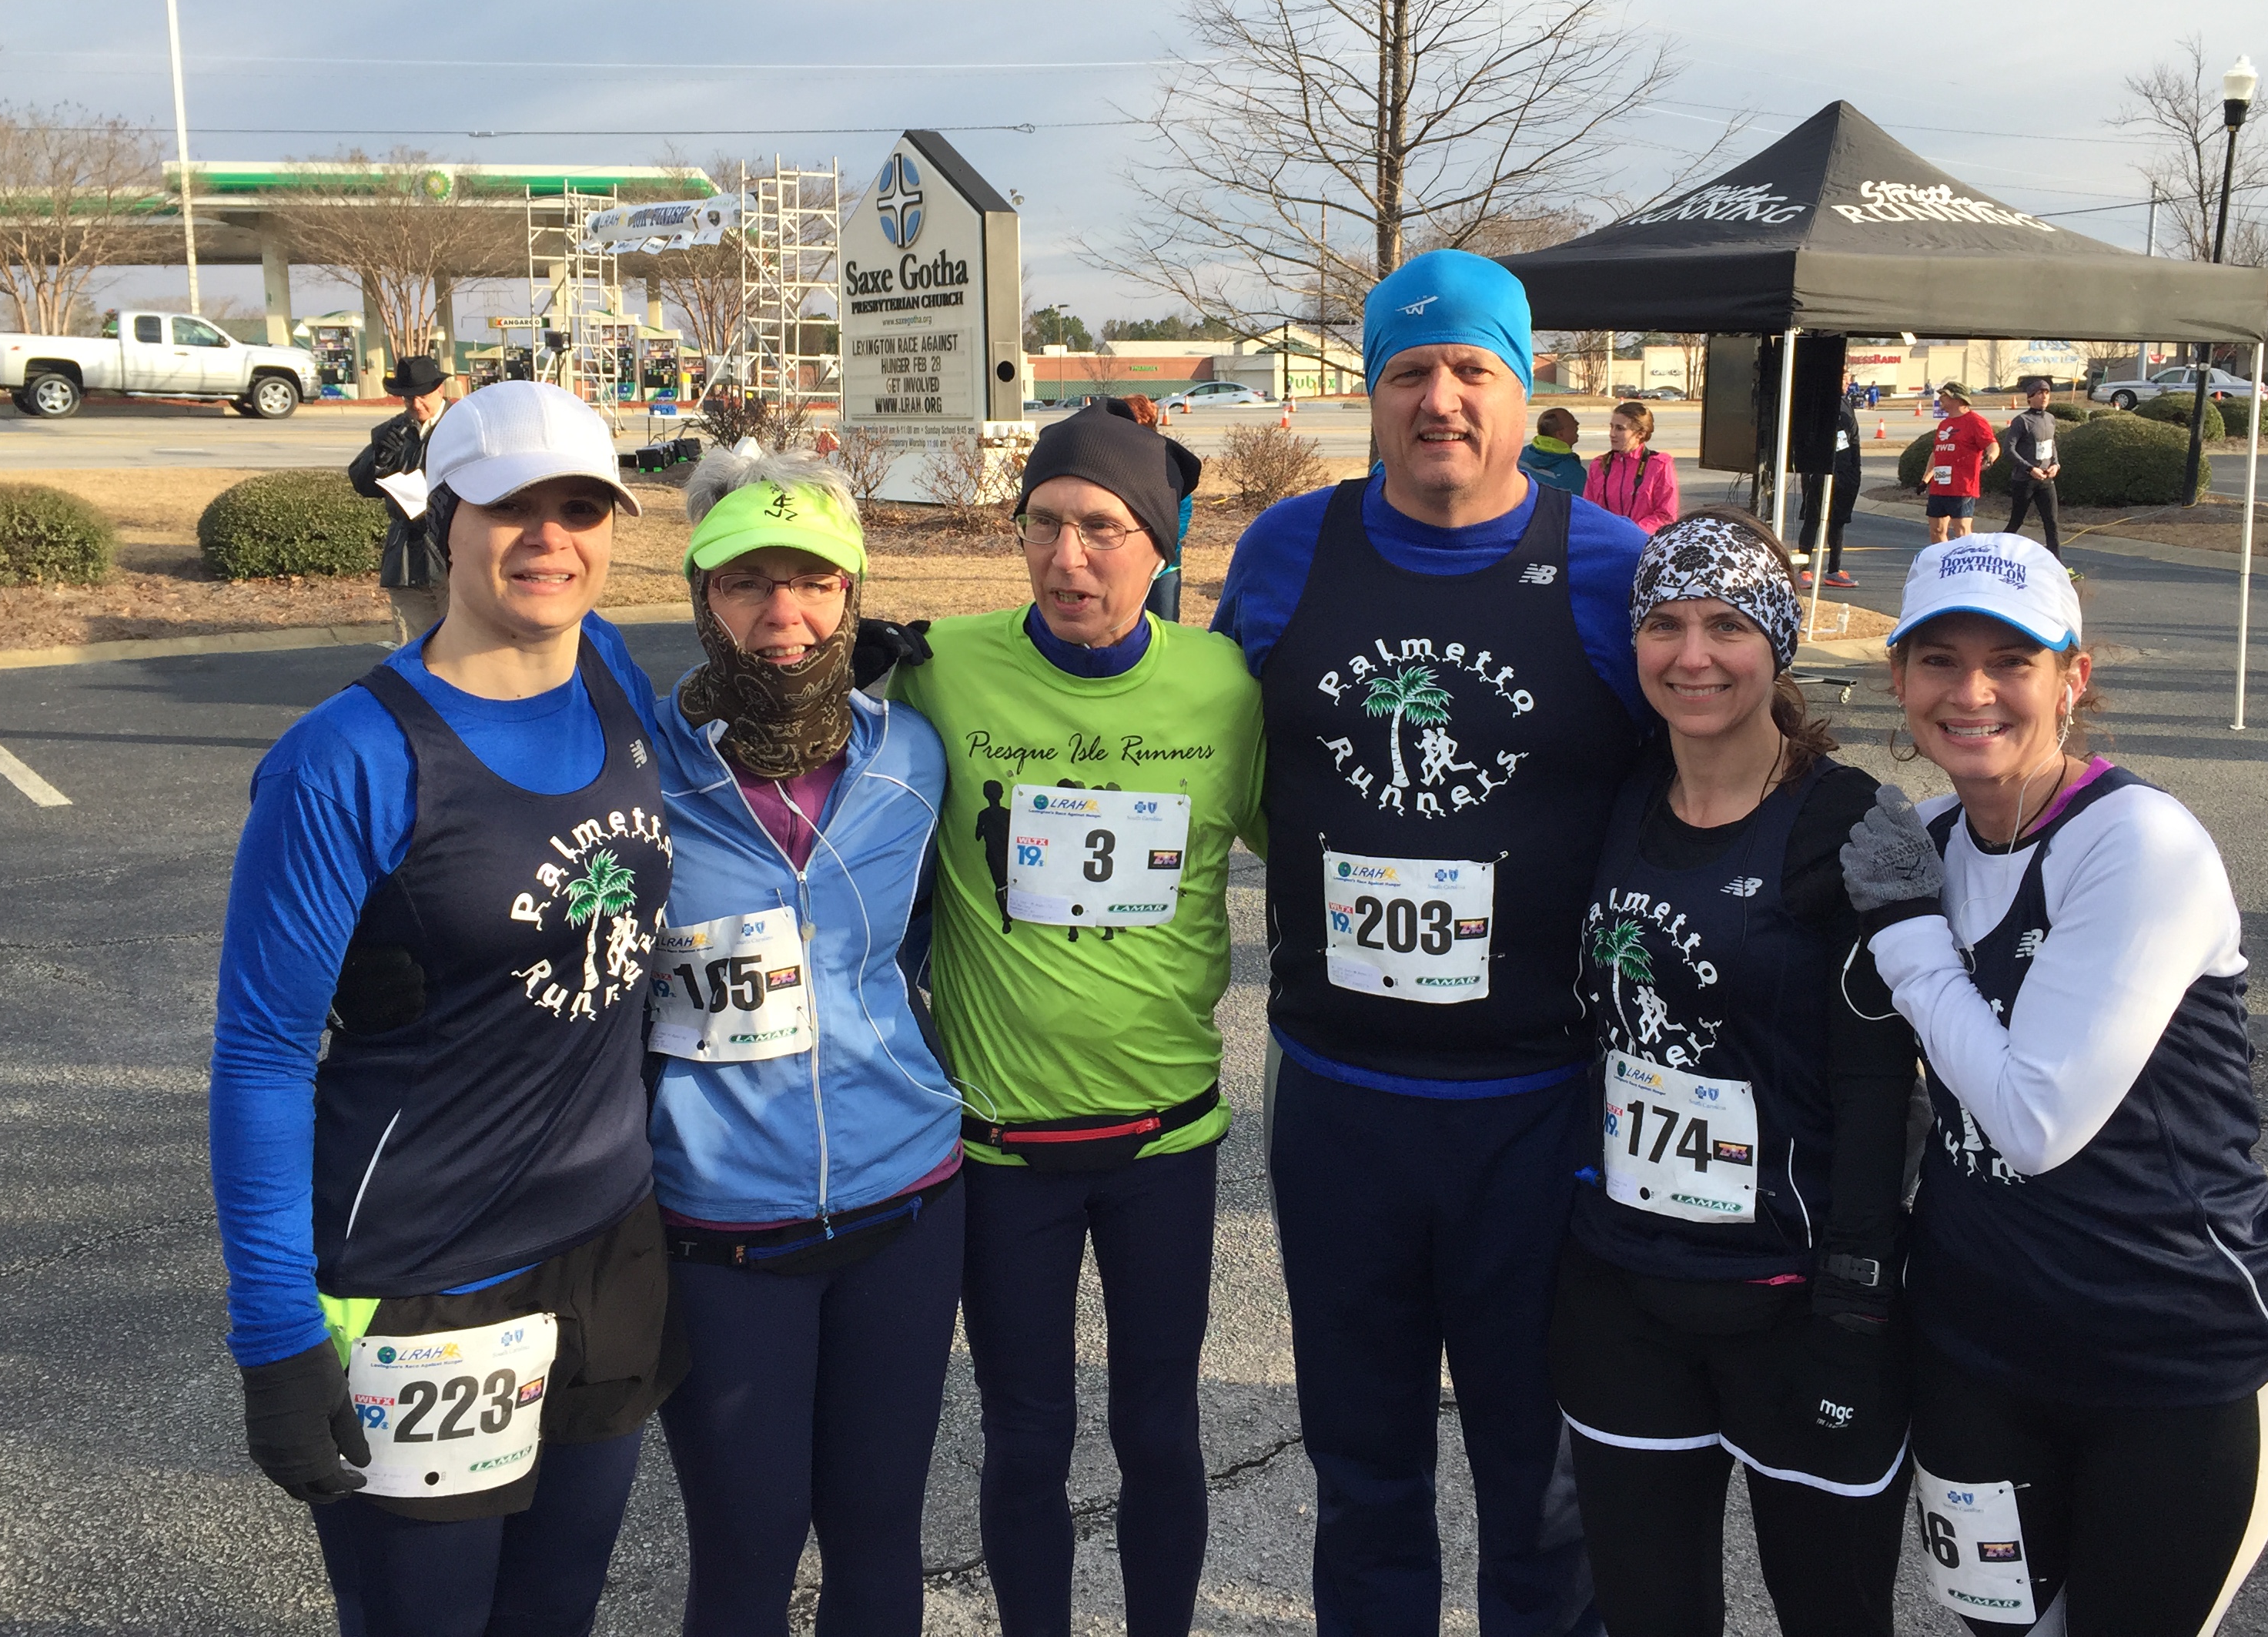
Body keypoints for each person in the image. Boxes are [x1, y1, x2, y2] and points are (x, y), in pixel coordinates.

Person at [1213, 246, 1649, 1637]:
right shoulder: (1287, 550)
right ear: (1370, 393)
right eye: (1407, 371)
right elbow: (1195, 736)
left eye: (1472, 368)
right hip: (1338, 1095)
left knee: (1541, 1475)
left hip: (1539, 1100)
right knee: (1362, 1466)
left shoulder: (1613, 567)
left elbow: (1710, 783)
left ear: (1524, 389)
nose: (1439, 400)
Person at [210, 380, 684, 1637]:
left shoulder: (611, 668)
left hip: (608, 1240)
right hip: (425, 1277)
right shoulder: (347, 758)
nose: (549, 537)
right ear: (442, 520)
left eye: (581, 507)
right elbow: (261, 1055)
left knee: (556, 1612)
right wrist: (273, 1328)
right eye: (510, 505)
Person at [1838, 533, 2268, 1635]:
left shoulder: (2140, 844)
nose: (1972, 693)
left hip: (2168, 1351)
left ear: (2073, 678)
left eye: (2012, 661)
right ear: (1899, 679)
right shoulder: (1930, 839)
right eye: (1939, 660)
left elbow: (2034, 1119)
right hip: (1977, 1350)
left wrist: (1905, 933)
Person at [891, 403, 1264, 1637]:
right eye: (1043, 524)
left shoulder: (1222, 687)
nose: (1069, 558)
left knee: (1158, 1429)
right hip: (1005, 1152)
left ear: (1159, 547)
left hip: (1166, 1141)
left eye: (1104, 528)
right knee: (1025, 1438)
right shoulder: (941, 668)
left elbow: (1314, 839)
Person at [1550, 510, 1918, 1637]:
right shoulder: (1617, 799)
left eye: (1727, 626)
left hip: (1791, 1302)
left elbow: (1878, 1090)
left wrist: (1856, 1297)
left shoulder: (1845, 822)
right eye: (1664, 625)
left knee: (1832, 1613)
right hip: (1624, 1290)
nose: (1693, 655)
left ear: (1779, 643)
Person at [643, 447, 964, 1635]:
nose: (784, 614)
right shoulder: (638, 769)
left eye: (815, 582)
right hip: (721, 1225)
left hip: (906, 1201)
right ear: (702, 595)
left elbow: (930, 937)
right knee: (747, 1551)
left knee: (880, 1539)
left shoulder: (912, 756)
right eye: (747, 582)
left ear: (853, 594)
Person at [349, 353, 452, 644]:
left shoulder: (461, 427)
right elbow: (361, 483)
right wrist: (379, 458)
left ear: (439, 390)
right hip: (406, 554)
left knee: (460, 644)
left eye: (423, 397)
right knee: (412, 645)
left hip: (451, 551)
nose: (416, 405)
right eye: (408, 399)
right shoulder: (394, 430)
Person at [1112, 393, 1192, 621]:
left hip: (1164, 565)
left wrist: (1164, 545)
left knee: (1165, 627)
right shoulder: (1110, 459)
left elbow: (1183, 508)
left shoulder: (1168, 460)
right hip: (1122, 563)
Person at [1794, 392, 1865, 588]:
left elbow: (1854, 440)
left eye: (1848, 378)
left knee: (1838, 521)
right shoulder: (1815, 401)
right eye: (1844, 377)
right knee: (1813, 519)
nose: (1846, 380)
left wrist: (1855, 471)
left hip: (1844, 472)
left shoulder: (1845, 404)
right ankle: (1804, 570)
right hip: (1817, 471)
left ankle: (1834, 570)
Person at [1583, 398, 1680, 533]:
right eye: (1611, 427)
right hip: (1606, 540)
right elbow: (1588, 511)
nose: (1612, 434)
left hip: (1643, 540)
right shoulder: (1598, 465)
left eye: (1620, 429)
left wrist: (1630, 532)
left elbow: (1666, 516)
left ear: (1640, 434)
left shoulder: (1659, 465)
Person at [1923, 383, 1996, 543]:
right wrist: (1926, 479)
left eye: (1945, 395)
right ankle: (1943, 558)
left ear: (1957, 399)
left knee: (1962, 532)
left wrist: (1990, 458)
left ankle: (1965, 559)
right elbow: (1936, 453)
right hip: (1939, 487)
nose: (1941, 398)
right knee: (1936, 530)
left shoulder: (1975, 422)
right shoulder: (1944, 424)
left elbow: (1992, 445)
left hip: (1962, 487)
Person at [2001, 377, 2064, 560]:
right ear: (2030, 398)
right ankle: (1997, 554)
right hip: (2024, 481)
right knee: (2016, 521)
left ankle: (2057, 565)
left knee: (2051, 523)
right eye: (2039, 393)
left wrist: (2056, 464)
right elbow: (2008, 450)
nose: (2044, 397)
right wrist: (2029, 469)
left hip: (2045, 480)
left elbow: (2051, 444)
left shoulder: (2050, 419)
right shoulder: (2022, 421)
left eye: (2047, 393)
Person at [1520, 404, 1588, 493]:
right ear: (1560, 434)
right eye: (1573, 422)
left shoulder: (1520, 455)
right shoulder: (1573, 473)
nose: (1577, 424)